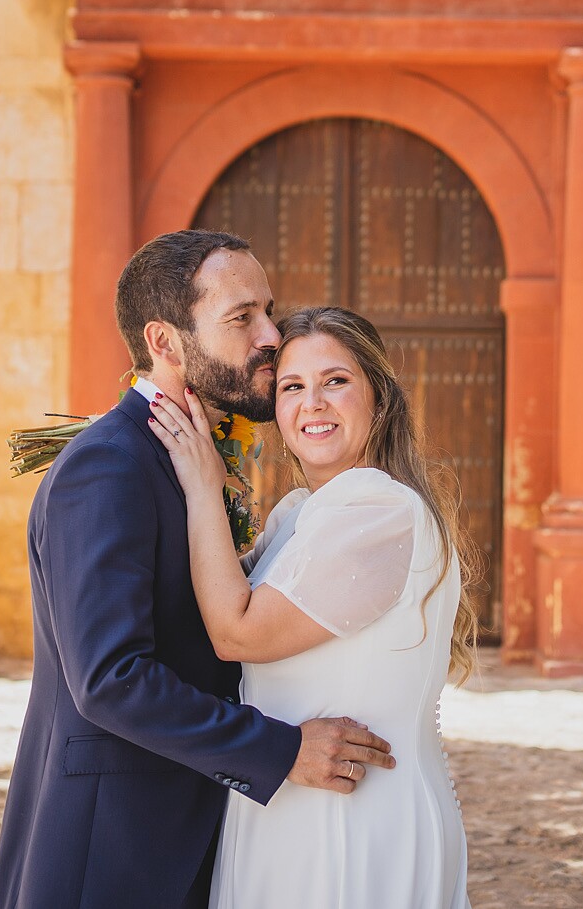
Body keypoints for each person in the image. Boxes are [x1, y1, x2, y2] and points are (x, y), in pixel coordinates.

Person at [0, 232, 397, 909]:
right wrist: (280, 749)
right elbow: (109, 678)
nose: (272, 335)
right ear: (166, 341)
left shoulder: (197, 459)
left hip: (190, 841)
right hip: (110, 854)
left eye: (269, 309)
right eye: (242, 318)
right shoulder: (108, 463)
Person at [147, 305, 477, 909]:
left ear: (378, 394)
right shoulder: (300, 512)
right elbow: (207, 604)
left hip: (353, 820)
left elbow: (236, 633)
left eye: (336, 381)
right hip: (289, 802)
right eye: (293, 387)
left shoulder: (377, 507)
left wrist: (199, 484)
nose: (312, 403)